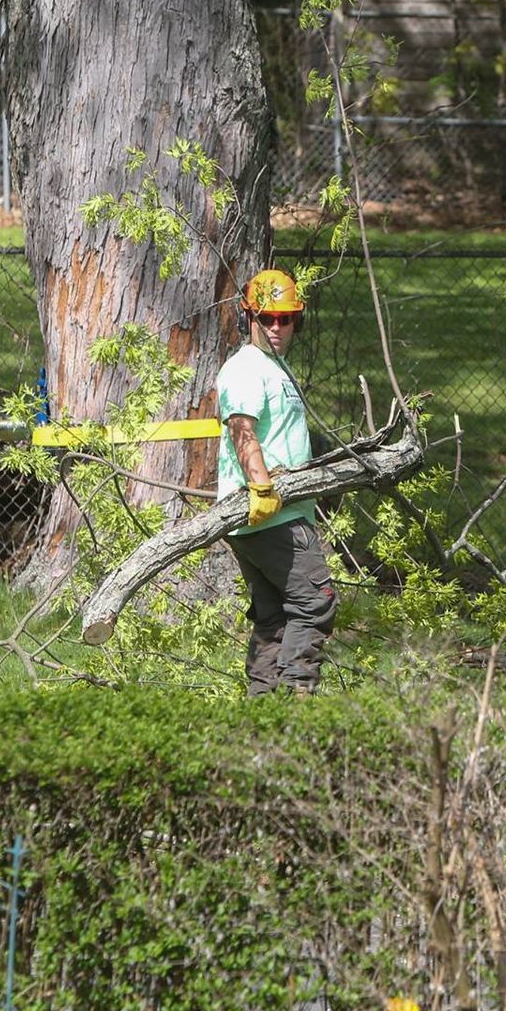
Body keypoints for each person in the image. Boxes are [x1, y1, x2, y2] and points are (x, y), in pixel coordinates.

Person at [214, 268, 337, 695]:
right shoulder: (247, 367)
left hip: (272, 513)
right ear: (248, 316)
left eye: (287, 319)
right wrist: (262, 489)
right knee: (315, 603)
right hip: (270, 513)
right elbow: (241, 429)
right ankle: (294, 701)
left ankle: (262, 710)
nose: (277, 327)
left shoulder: (273, 365)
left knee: (273, 618)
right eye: (267, 318)